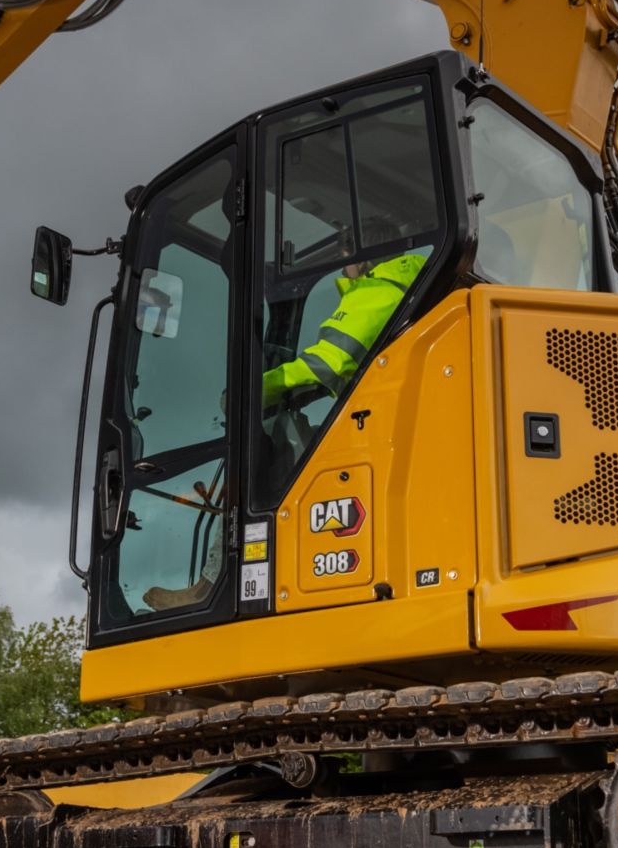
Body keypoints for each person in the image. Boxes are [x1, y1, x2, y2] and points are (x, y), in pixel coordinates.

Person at [140, 248, 427, 615]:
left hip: (372, 437)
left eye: (349, 248)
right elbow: (348, 370)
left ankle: (212, 584)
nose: (343, 257)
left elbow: (324, 363)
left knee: (258, 456)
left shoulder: (378, 290)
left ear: (370, 252)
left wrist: (254, 391)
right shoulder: (405, 291)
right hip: (382, 430)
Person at [261, 249, 428, 411]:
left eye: (345, 261)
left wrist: (259, 389)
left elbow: (327, 365)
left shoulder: (374, 292)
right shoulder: (411, 284)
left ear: (361, 261)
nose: (342, 271)